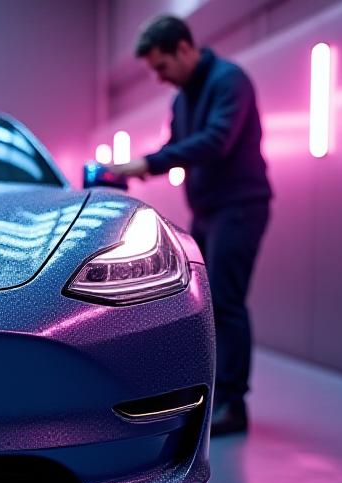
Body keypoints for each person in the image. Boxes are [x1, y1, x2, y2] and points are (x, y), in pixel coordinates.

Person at [110, 15, 271, 436]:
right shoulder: (181, 100)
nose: (159, 78)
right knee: (204, 303)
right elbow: (177, 147)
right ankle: (214, 396)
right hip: (208, 210)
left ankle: (233, 404)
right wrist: (136, 168)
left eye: (162, 66)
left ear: (184, 48)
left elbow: (217, 141)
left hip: (240, 207)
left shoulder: (230, 81)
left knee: (227, 303)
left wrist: (147, 163)